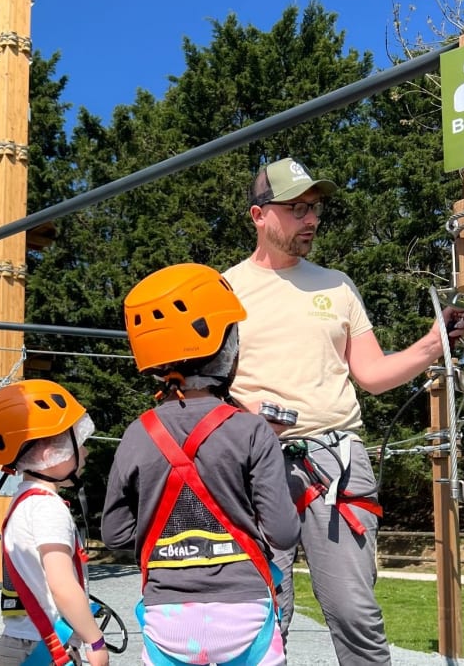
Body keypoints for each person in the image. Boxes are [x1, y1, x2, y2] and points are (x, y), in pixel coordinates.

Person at [223, 157, 464, 665]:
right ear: (259, 215)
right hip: (253, 465)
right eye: (297, 208)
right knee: (264, 614)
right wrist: (243, 413)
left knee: (356, 613)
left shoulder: (337, 285)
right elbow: (200, 386)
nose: (311, 219)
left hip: (336, 462)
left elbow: (372, 374)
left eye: (314, 208)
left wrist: (433, 342)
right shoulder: (222, 291)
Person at [101, 262, 300, 665]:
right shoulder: (252, 430)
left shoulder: (137, 434)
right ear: (227, 349)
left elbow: (115, 535)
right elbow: (282, 533)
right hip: (245, 612)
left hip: (167, 617)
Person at [0, 379, 109, 666]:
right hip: (45, 645)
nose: (85, 453)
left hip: (23, 642)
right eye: (78, 444)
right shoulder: (48, 508)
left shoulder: (22, 502)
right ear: (51, 456)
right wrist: (94, 640)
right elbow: (62, 584)